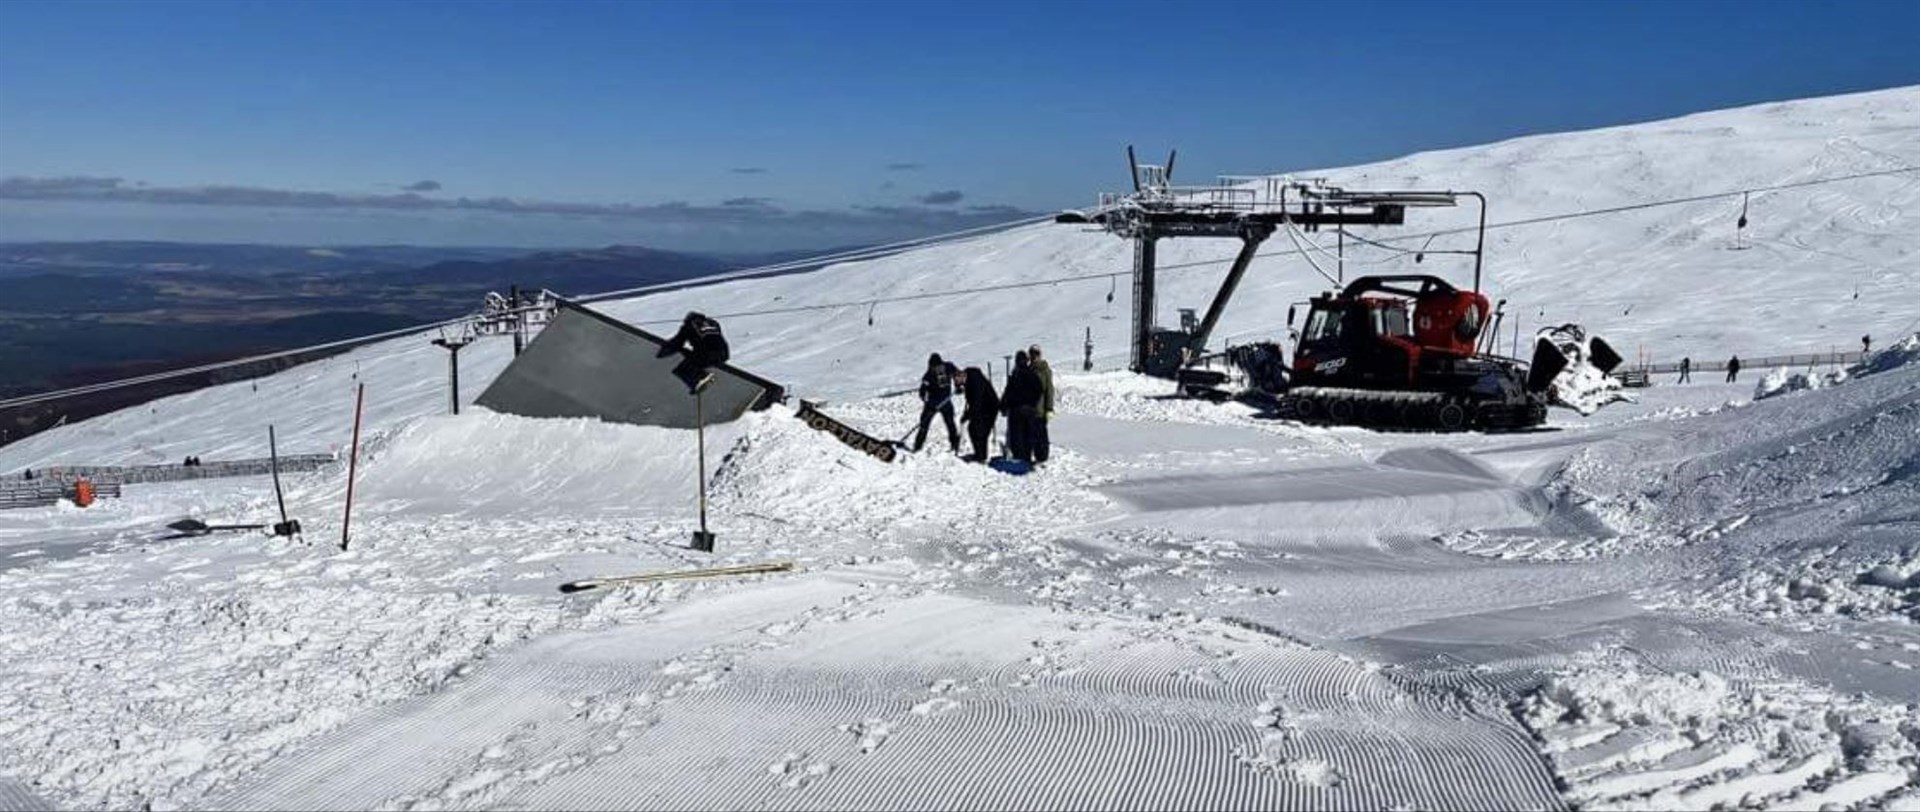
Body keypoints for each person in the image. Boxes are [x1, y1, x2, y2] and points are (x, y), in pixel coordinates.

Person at [656, 311, 730, 395]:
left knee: (681, 370)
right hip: (724, 353)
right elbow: (713, 338)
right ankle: (701, 377)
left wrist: (662, 352)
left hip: (706, 354)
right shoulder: (713, 323)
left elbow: (677, 342)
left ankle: (700, 378)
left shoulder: (689, 325)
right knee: (693, 360)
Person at [911, 354, 961, 453]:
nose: (937, 369)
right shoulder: (930, 375)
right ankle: (917, 446)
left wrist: (959, 385)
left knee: (949, 424)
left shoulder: (944, 368)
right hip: (934, 404)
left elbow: (959, 375)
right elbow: (922, 392)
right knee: (926, 424)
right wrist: (929, 402)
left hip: (942, 403)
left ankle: (955, 446)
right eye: (935, 367)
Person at [1001, 351, 1044, 464]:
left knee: (1017, 434)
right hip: (1029, 409)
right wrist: (1033, 402)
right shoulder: (1031, 374)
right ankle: (1026, 457)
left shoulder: (1016, 375)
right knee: (1027, 434)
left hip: (1016, 409)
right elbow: (1039, 389)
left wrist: (1004, 406)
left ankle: (1020, 458)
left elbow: (1008, 392)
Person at [957, 366, 1000, 463]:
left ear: (963, 376)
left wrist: (967, 415)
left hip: (989, 408)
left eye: (958, 381)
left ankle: (981, 456)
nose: (958, 384)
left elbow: (976, 401)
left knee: (980, 431)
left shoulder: (976, 381)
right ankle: (979, 454)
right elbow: (971, 401)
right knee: (973, 429)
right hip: (981, 408)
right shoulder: (969, 380)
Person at [1027, 345, 1055, 464]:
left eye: (1036, 354)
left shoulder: (1044, 370)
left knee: (1041, 435)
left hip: (1040, 410)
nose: (1034, 357)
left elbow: (1049, 389)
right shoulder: (1028, 369)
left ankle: (1042, 457)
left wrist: (1049, 408)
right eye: (1032, 354)